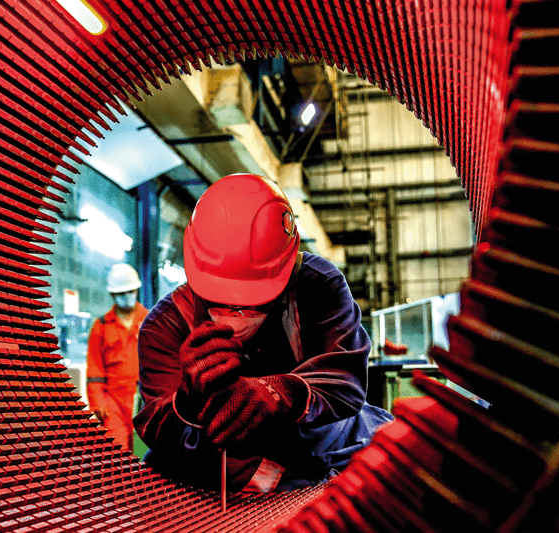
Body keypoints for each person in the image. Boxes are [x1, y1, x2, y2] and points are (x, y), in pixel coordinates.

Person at [134, 173, 393, 492]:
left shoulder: (318, 286)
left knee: (392, 459)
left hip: (328, 437)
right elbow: (160, 427)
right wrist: (187, 404)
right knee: (160, 475)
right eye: (218, 301)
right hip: (217, 455)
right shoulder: (164, 327)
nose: (234, 318)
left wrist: (281, 393)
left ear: (286, 267)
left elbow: (345, 378)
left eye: (253, 304)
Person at [87, 263, 149, 452]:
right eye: (122, 293)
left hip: (144, 401)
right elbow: (95, 369)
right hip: (112, 403)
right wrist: (98, 404)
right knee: (116, 454)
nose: (127, 296)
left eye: (131, 291)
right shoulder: (101, 327)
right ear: (113, 295)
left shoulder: (151, 320)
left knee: (144, 454)